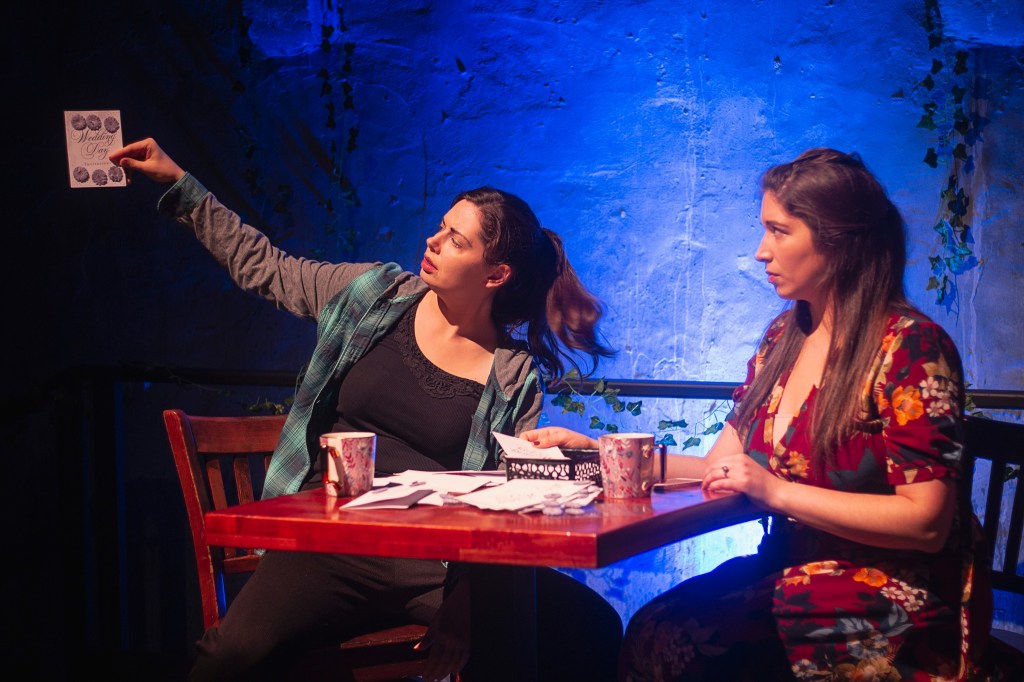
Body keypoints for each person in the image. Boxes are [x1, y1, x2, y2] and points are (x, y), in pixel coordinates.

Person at [109, 138, 623, 682]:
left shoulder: (511, 373)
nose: (433, 241)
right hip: (332, 541)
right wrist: (180, 184)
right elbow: (266, 267)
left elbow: (507, 501)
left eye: (456, 240)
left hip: (434, 562)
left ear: (495, 275)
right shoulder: (374, 296)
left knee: (588, 625)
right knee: (231, 655)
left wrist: (468, 599)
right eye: (441, 227)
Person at [524, 148, 993, 680]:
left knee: (685, 646)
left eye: (779, 231)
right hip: (792, 566)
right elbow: (720, 467)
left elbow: (926, 522)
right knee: (652, 629)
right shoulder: (783, 338)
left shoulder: (909, 347)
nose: (760, 251)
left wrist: (776, 492)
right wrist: (604, 455)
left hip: (893, 587)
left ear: (838, 241)